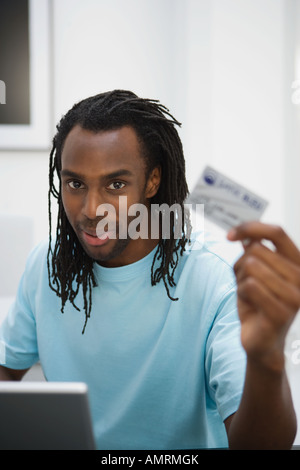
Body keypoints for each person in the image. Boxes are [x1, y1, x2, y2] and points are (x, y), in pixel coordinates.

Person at [0, 90, 299, 450]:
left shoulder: (217, 277)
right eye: (75, 183)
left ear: (153, 181)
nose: (91, 209)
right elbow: (7, 367)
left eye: (116, 184)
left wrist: (267, 359)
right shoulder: (48, 264)